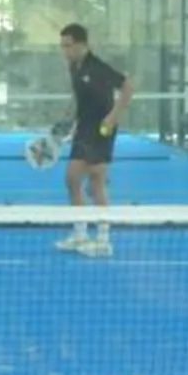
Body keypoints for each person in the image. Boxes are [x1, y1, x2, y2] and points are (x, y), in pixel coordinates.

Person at [55, 22, 132, 257]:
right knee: (78, 182)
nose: (65, 51)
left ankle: (102, 241)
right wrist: (68, 119)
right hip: (84, 128)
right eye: (62, 46)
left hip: (101, 130)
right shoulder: (74, 67)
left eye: (68, 46)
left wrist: (113, 117)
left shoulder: (97, 67)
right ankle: (81, 235)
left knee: (87, 180)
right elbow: (78, 97)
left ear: (82, 45)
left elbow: (128, 86)